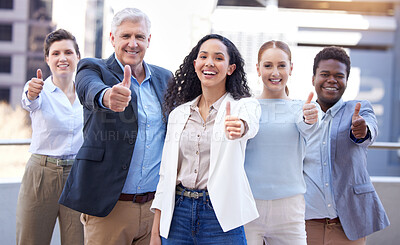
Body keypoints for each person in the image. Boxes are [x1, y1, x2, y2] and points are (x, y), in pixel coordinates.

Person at [58, 8, 173, 245]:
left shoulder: (165, 78)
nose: (133, 43)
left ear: (148, 40)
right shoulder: (93, 68)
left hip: (155, 209)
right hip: (109, 208)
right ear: (112, 38)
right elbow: (89, 89)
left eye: (140, 37)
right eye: (126, 36)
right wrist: (108, 96)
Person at [149, 34, 261, 245]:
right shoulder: (178, 114)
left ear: (230, 68)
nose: (209, 62)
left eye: (218, 58)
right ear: (195, 64)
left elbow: (250, 123)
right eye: (203, 57)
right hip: (178, 214)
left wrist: (240, 126)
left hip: (220, 215)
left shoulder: (243, 106)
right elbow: (166, 175)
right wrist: (156, 230)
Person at [303, 46, 390, 245]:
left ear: (346, 81)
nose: (331, 80)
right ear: (313, 79)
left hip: (349, 222)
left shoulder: (358, 109)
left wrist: (362, 131)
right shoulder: (302, 114)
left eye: (338, 75)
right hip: (307, 222)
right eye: (324, 74)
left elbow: (370, 130)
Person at [243, 40, 319, 245]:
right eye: (268, 65)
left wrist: (309, 117)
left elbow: (307, 126)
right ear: (258, 69)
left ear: (291, 68)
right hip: (249, 206)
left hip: (290, 210)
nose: (275, 72)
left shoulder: (303, 108)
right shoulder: (246, 107)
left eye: (281, 65)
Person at [17, 29, 83, 245]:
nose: (62, 58)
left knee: (78, 241)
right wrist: (32, 93)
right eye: (55, 53)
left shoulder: (87, 93)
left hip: (77, 176)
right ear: (47, 59)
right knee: (31, 240)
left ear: (77, 57)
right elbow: (29, 101)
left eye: (68, 52)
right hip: (41, 175)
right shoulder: (37, 88)